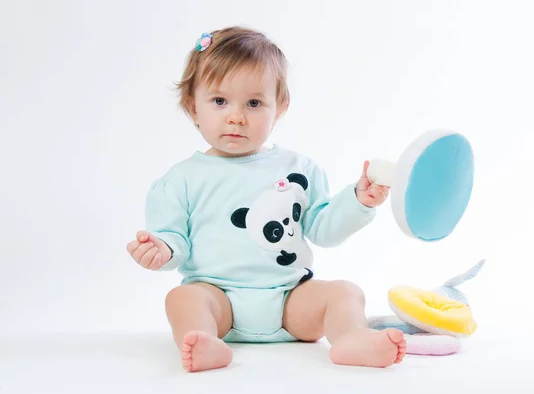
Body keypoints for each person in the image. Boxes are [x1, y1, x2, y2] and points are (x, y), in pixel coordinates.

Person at [126, 26, 406, 372]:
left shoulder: (299, 168)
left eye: (254, 103)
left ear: (280, 107)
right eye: (219, 101)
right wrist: (161, 249)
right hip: (218, 300)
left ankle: (351, 338)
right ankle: (205, 342)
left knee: (345, 292)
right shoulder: (180, 180)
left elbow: (323, 229)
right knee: (182, 298)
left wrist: (358, 201)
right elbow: (174, 238)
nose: (236, 116)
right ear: (192, 106)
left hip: (291, 300)